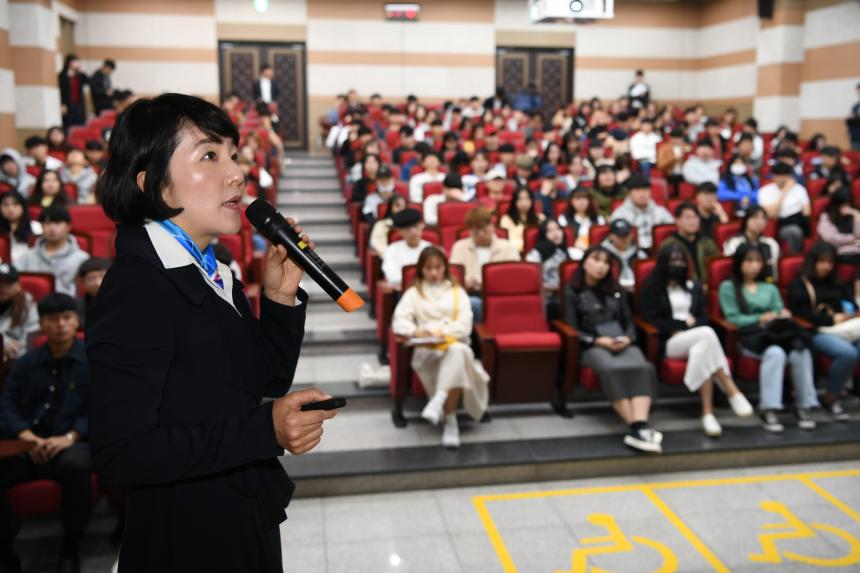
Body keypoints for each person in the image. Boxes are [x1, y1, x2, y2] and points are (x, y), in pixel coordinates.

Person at [86, 93, 336, 573]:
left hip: (243, 514)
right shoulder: (136, 288)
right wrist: (265, 428)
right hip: (187, 540)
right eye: (209, 156)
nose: (237, 173)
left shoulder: (214, 268)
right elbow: (123, 454)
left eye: (234, 154)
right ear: (156, 184)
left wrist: (280, 301)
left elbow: (262, 382)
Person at [0, 293, 91, 573]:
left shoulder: (92, 362)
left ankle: (70, 548)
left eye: (67, 318)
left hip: (73, 442)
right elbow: (7, 404)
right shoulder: (26, 363)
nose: (60, 325)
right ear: (41, 324)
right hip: (30, 442)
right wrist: (25, 434)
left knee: (75, 467)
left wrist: (69, 437)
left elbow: (101, 410)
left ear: (77, 321)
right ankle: (5, 550)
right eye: (53, 319)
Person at [640, 245, 753, 436]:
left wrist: (689, 327)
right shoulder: (652, 287)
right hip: (671, 342)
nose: (678, 265)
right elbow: (653, 320)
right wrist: (680, 326)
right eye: (673, 261)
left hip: (696, 338)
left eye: (681, 261)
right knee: (707, 334)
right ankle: (730, 388)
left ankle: (707, 413)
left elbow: (703, 317)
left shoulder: (693, 286)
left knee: (702, 349)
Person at [564, 246, 661, 452]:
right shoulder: (573, 291)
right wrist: (597, 341)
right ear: (584, 262)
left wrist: (628, 338)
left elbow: (629, 321)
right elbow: (571, 328)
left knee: (642, 366)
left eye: (606, 262)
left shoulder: (616, 290)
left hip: (621, 342)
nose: (601, 266)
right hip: (593, 346)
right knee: (610, 369)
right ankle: (636, 427)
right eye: (596, 260)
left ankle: (639, 427)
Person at [392, 247, 489, 448]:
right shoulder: (413, 293)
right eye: (428, 268)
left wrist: (441, 333)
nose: (434, 272)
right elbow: (399, 322)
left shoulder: (457, 291)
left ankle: (444, 409)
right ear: (421, 270)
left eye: (438, 267)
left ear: (445, 267)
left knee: (458, 351)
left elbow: (465, 325)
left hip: (452, 344)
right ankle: (447, 415)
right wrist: (418, 332)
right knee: (461, 354)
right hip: (427, 352)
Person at [719, 244, 819, 433]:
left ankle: (804, 405)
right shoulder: (729, 286)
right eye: (749, 261)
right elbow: (732, 318)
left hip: (776, 334)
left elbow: (778, 309)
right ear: (739, 262)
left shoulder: (770, 287)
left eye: (758, 261)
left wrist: (782, 315)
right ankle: (769, 408)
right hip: (751, 337)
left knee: (801, 350)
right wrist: (760, 318)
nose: (754, 265)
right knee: (775, 354)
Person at [787, 242, 857, 421]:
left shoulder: (836, 282)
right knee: (847, 353)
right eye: (822, 262)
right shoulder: (800, 283)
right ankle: (832, 398)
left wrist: (849, 313)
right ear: (813, 261)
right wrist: (830, 319)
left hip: (845, 328)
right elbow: (800, 313)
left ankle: (842, 390)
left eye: (830, 262)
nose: (826, 266)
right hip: (817, 331)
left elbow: (850, 303)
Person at [450, 207, 519, 322]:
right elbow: (453, 277)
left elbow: (513, 278)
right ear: (470, 230)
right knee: (472, 304)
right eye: (476, 231)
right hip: (471, 293)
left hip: (500, 296)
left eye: (484, 229)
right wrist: (466, 282)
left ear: (492, 226)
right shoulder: (460, 247)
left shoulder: (507, 247)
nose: (481, 234)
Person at [17, 205, 89, 296]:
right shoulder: (28, 256)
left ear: (68, 226)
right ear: (41, 227)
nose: (52, 228)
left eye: (57, 223)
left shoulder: (81, 258)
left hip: (66, 306)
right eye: (47, 223)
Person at [526, 219, 577, 319]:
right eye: (550, 231)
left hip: (566, 296)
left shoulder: (570, 252)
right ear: (543, 234)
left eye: (558, 229)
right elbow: (531, 280)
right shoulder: (536, 253)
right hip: (546, 298)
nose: (555, 234)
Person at [609, 174, 674, 251]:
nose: (642, 194)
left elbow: (672, 230)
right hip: (632, 251)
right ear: (629, 193)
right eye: (638, 190)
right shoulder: (620, 214)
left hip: (660, 250)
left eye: (646, 190)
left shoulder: (660, 211)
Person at [758, 161, 811, 253]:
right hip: (779, 225)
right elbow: (772, 214)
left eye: (784, 175)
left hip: (799, 222)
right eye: (778, 175)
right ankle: (794, 258)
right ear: (773, 176)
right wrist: (784, 191)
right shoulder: (765, 191)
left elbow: (807, 212)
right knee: (794, 231)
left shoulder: (800, 189)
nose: (781, 179)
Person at [659, 203, 719, 284]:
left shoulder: (707, 242)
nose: (692, 221)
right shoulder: (668, 245)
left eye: (695, 217)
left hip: (708, 286)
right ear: (677, 220)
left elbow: (716, 268)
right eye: (687, 218)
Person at [723, 206, 780, 280]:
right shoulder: (734, 243)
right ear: (746, 220)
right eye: (755, 218)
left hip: (764, 282)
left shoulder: (771, 244)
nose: (760, 222)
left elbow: (772, 272)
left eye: (763, 218)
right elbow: (732, 269)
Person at [381, 208, 431, 287]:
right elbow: (392, 276)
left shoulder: (431, 249)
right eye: (407, 228)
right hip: (403, 290)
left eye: (415, 226)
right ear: (399, 231)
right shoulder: (392, 250)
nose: (413, 231)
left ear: (422, 226)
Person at [0, 263, 39, 361]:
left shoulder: (28, 307)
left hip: (17, 363)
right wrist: (3, 343)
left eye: (8, 283)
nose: (2, 287)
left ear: (18, 286)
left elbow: (30, 344)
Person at [558, 187, 606, 259]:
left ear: (589, 201)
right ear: (571, 201)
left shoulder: (599, 219)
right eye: (577, 199)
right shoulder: (563, 219)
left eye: (584, 198)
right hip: (573, 253)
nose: (581, 202)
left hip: (595, 254)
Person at [601, 218, 647, 291]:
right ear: (611, 236)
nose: (624, 239)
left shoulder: (639, 254)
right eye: (620, 236)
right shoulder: (603, 254)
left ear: (631, 235)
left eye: (626, 235)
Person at [0, 190, 42, 266]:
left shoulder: (36, 228)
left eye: (15, 204)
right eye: (6, 205)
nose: (10, 209)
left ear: (23, 207)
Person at [499, 187, 544, 253]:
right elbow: (511, 242)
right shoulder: (506, 220)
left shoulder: (541, 218)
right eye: (520, 199)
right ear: (514, 201)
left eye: (528, 198)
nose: (524, 202)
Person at [57, 54, 88, 132]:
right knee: (68, 125)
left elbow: (88, 81)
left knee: (80, 125)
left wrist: (81, 71)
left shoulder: (79, 75)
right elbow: (61, 91)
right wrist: (62, 104)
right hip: (68, 105)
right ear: (69, 63)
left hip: (78, 105)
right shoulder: (62, 75)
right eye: (75, 62)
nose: (77, 64)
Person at [75, 257, 111, 325]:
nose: (98, 283)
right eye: (91, 278)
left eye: (103, 276)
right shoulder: (77, 306)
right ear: (82, 283)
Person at [656, 128, 689, 196]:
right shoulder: (664, 148)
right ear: (671, 138)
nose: (677, 141)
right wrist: (674, 159)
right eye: (675, 138)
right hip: (670, 174)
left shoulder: (686, 148)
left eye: (679, 138)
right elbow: (661, 165)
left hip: (685, 174)